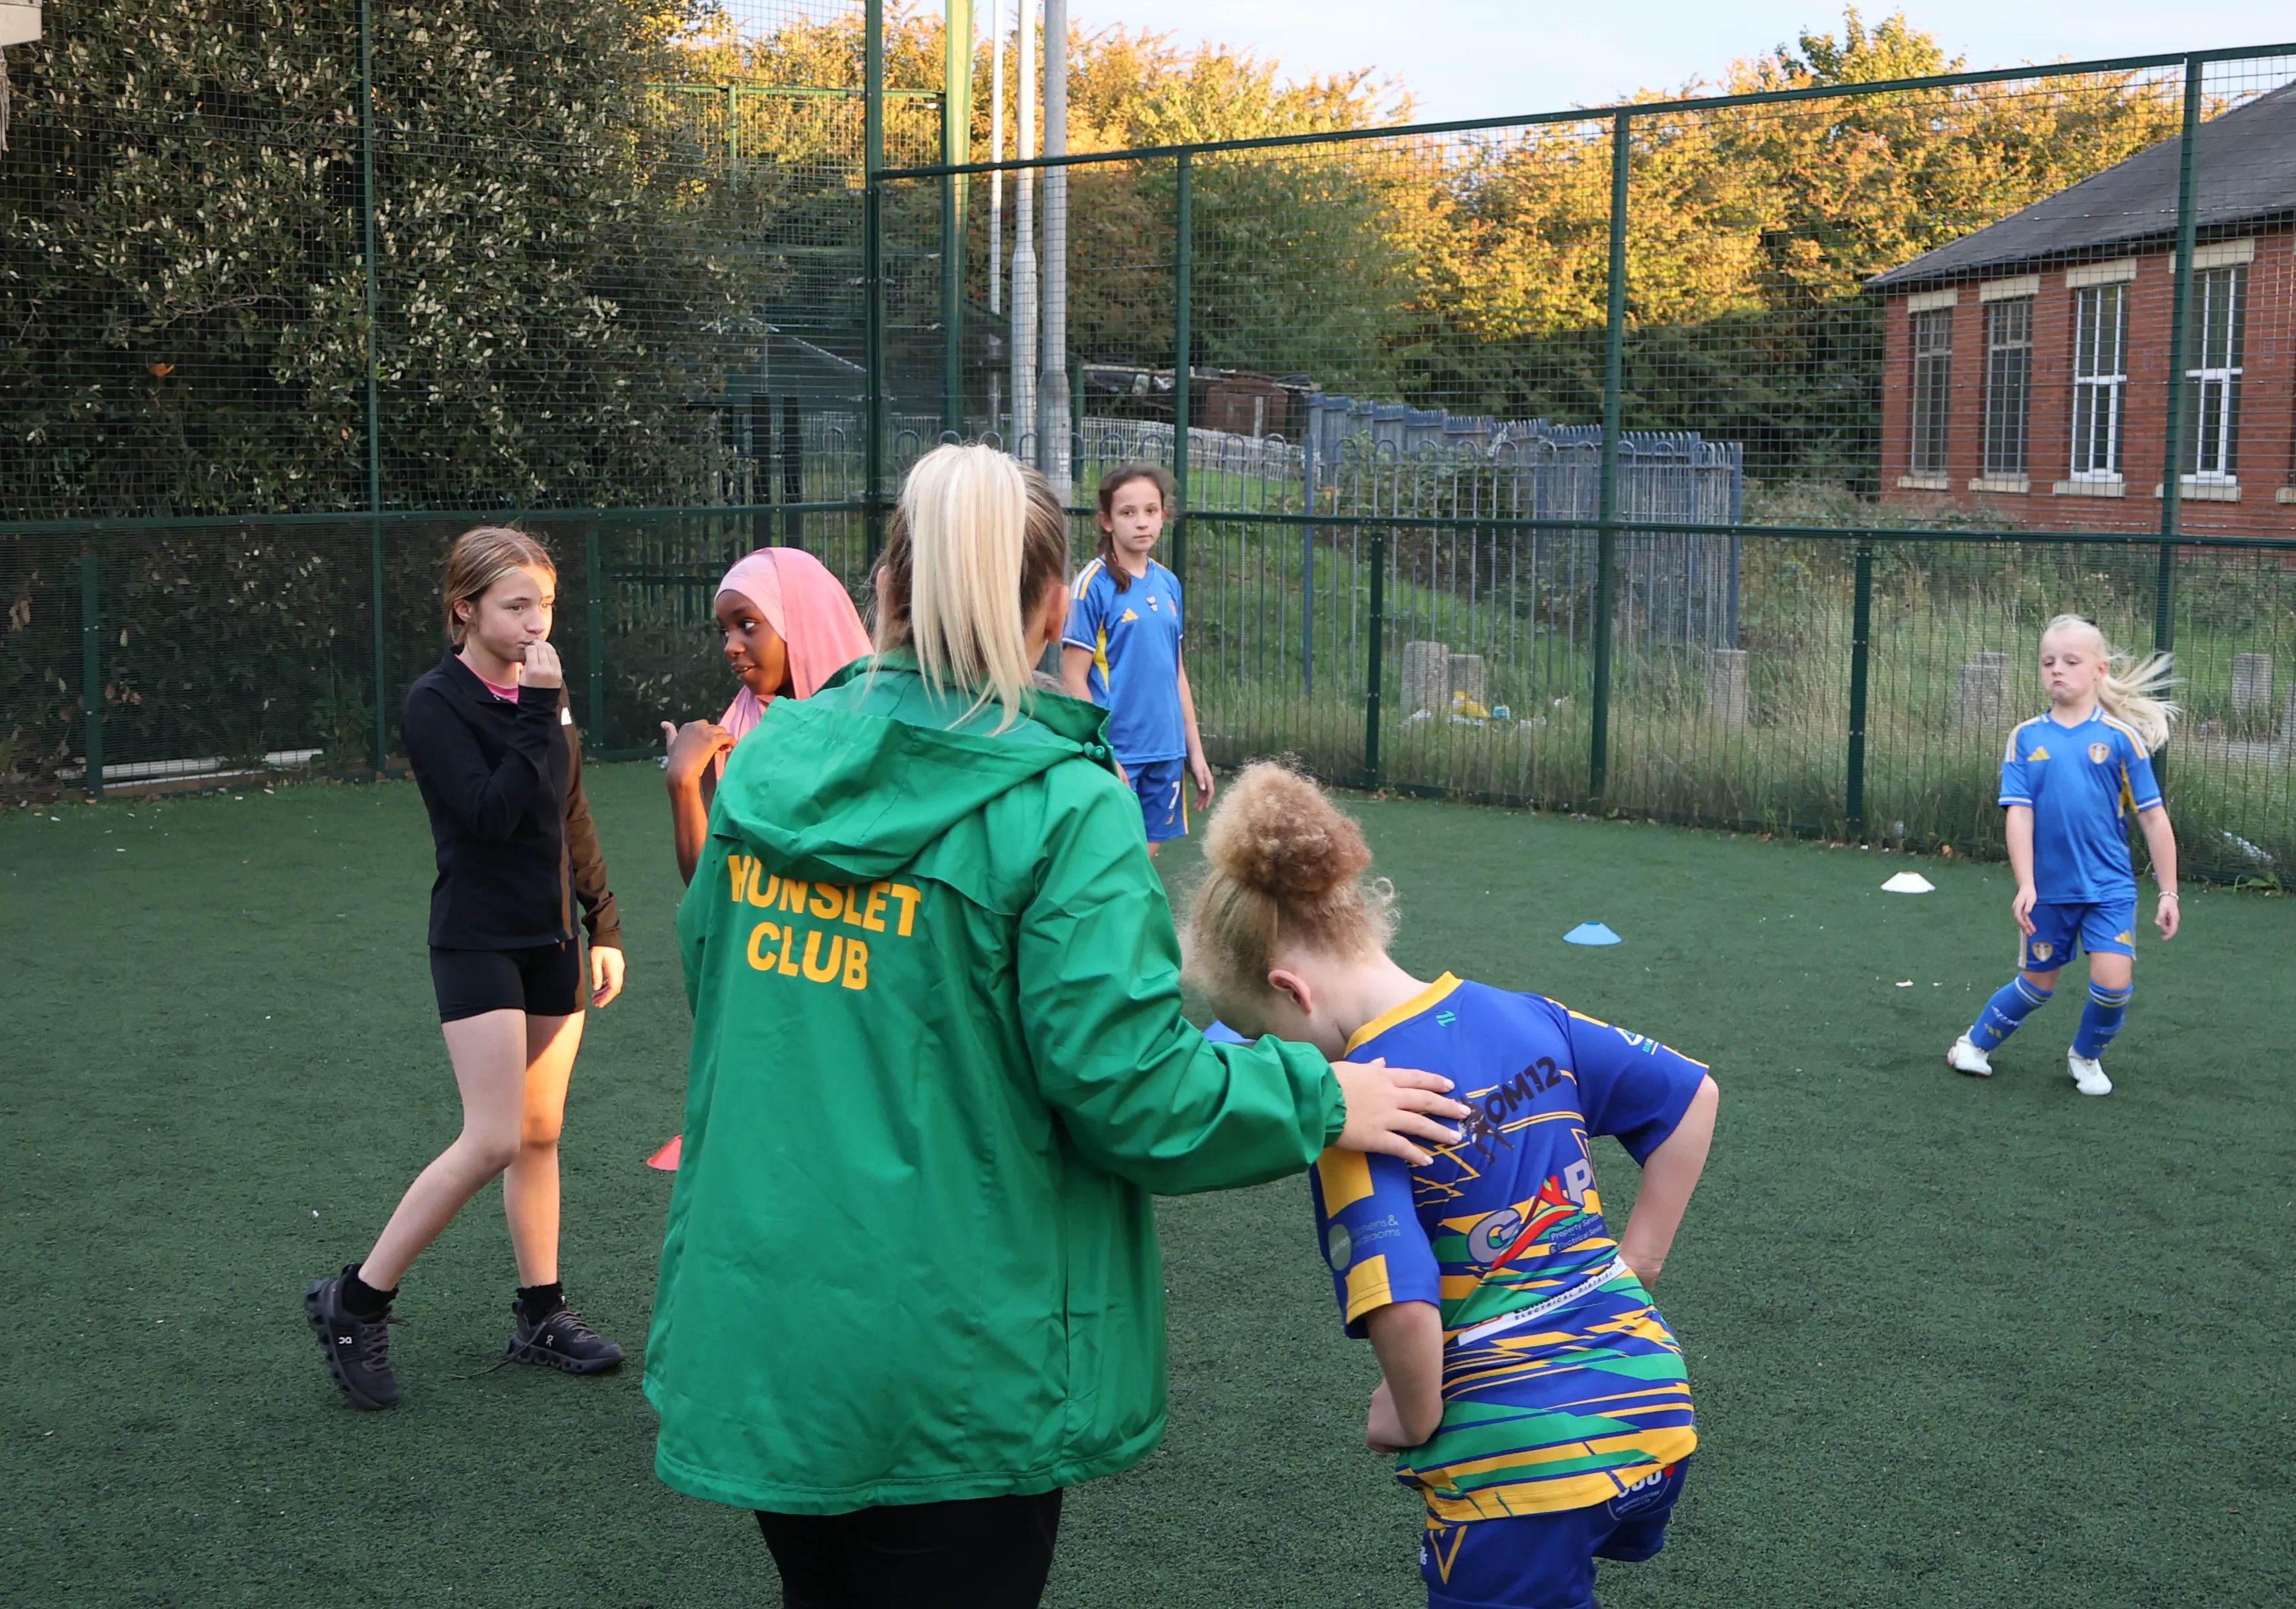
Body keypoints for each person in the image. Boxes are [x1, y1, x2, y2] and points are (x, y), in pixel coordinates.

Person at [643, 444, 1472, 1609]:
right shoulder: (1059, 802)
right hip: (955, 1357)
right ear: (1049, 608)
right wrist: (1324, 1095)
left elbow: (715, 981)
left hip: (778, 1329)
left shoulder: (766, 763)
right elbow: (1132, 1090)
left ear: (886, 587)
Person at [1181, 761, 1721, 1609]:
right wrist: (1639, 1262)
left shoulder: (1354, 1111)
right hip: (1654, 1413)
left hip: (1522, 1465)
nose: (1278, 1057)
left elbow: (1402, 1304)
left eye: (1265, 1033)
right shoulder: (1524, 1013)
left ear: (1292, 991)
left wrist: (1412, 1415)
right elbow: (1693, 1097)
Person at [305, 526, 628, 1410]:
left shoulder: (544, 695)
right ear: (466, 610)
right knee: (491, 1136)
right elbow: (489, 815)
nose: (535, 623)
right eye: (516, 605)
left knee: (538, 1136)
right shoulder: (436, 703)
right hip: (478, 938)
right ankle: (355, 1298)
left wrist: (603, 923)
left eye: (545, 606)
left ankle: (541, 1314)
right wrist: (537, 709)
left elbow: (569, 809)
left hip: (553, 939)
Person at [1946, 612, 2182, 1097]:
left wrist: (2169, 892)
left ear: (2099, 670)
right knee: (2037, 985)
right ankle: (1971, 1045)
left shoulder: (2122, 740)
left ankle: (2086, 1057)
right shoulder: (2027, 737)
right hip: (2051, 890)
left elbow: (2154, 818)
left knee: (2114, 985)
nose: (2058, 669)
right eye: (2048, 661)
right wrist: (2026, 884)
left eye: (2071, 661)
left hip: (2109, 888)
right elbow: (2019, 815)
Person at [658, 546, 872, 885]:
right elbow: (710, 890)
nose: (731, 646)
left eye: (747, 624)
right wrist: (683, 781)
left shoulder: (876, 725)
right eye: (725, 631)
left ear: (802, 620)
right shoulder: (735, 733)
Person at [1060, 461, 1213, 857]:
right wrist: (1103, 752)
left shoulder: (1169, 583)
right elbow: (1074, 678)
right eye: (1128, 513)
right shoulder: (1092, 585)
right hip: (1120, 751)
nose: (1141, 522)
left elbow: (1176, 672)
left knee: (1147, 858)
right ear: (1107, 521)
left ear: (1164, 516)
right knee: (1111, 859)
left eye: (1150, 511)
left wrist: (1194, 751)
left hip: (1166, 749)